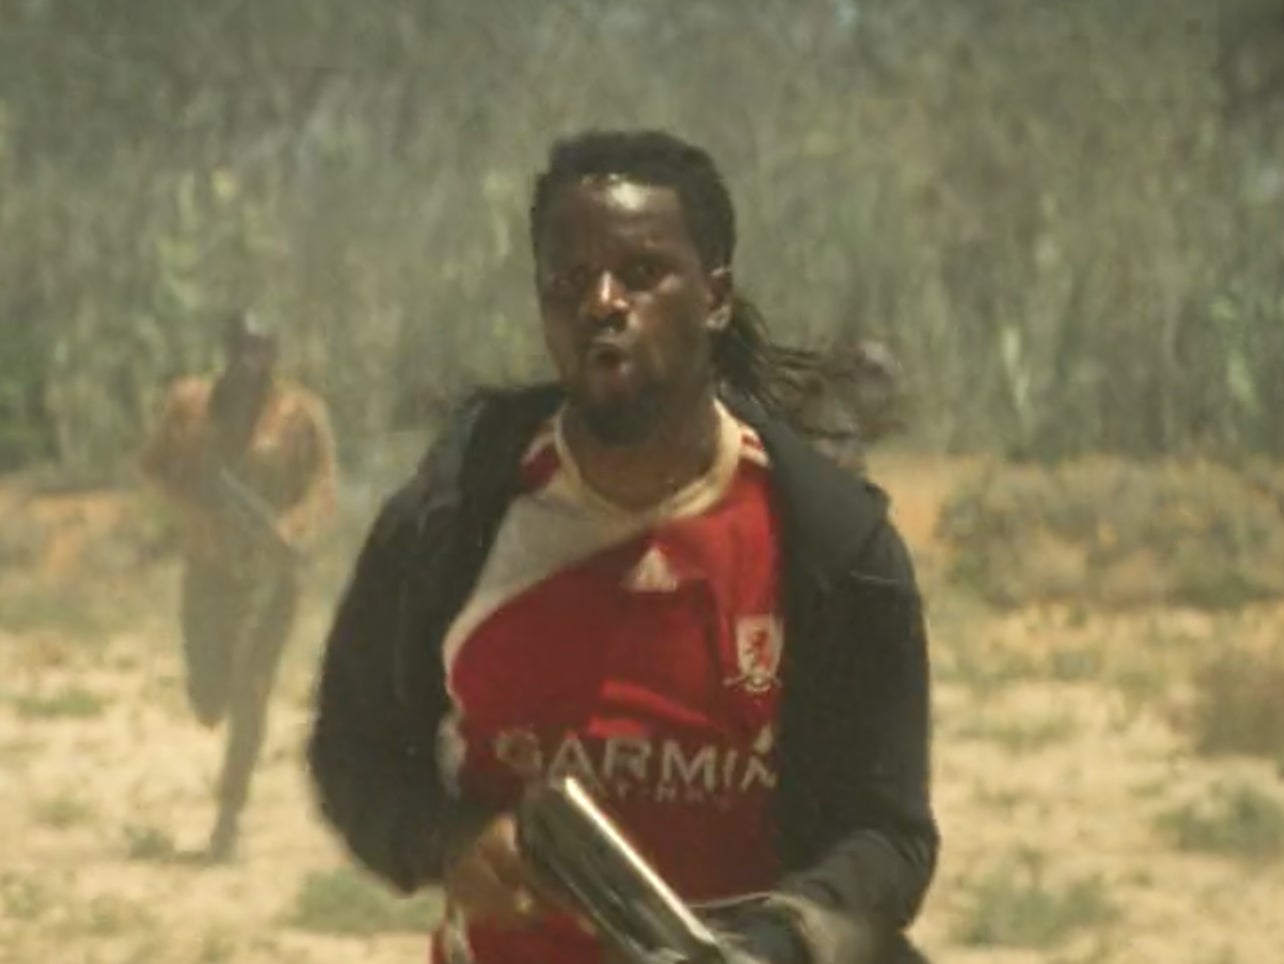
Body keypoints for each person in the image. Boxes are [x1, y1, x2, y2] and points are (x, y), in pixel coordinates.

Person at [307, 130, 936, 964]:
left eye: (641, 274)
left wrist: (783, 935)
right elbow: (352, 752)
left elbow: (889, 837)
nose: (602, 302)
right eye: (569, 281)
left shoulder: (832, 550)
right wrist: (447, 840)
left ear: (713, 296)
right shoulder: (452, 527)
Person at [139, 310, 338, 861]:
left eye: (264, 350)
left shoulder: (300, 416)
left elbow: (323, 490)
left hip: (272, 581)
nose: (253, 362)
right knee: (209, 696)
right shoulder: (191, 407)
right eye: (244, 349)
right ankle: (212, 707)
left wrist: (289, 528)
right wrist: (193, 509)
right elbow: (153, 468)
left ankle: (229, 818)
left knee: (251, 692)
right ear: (227, 350)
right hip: (208, 573)